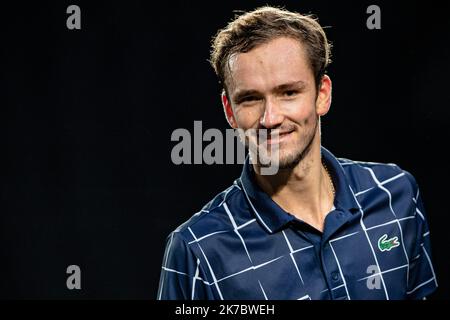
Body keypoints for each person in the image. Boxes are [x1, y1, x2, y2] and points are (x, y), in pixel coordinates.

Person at [157, 6, 437, 300]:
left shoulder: (396, 194)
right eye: (250, 98)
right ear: (229, 111)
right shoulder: (198, 249)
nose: (270, 118)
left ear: (322, 95)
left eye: (288, 92)